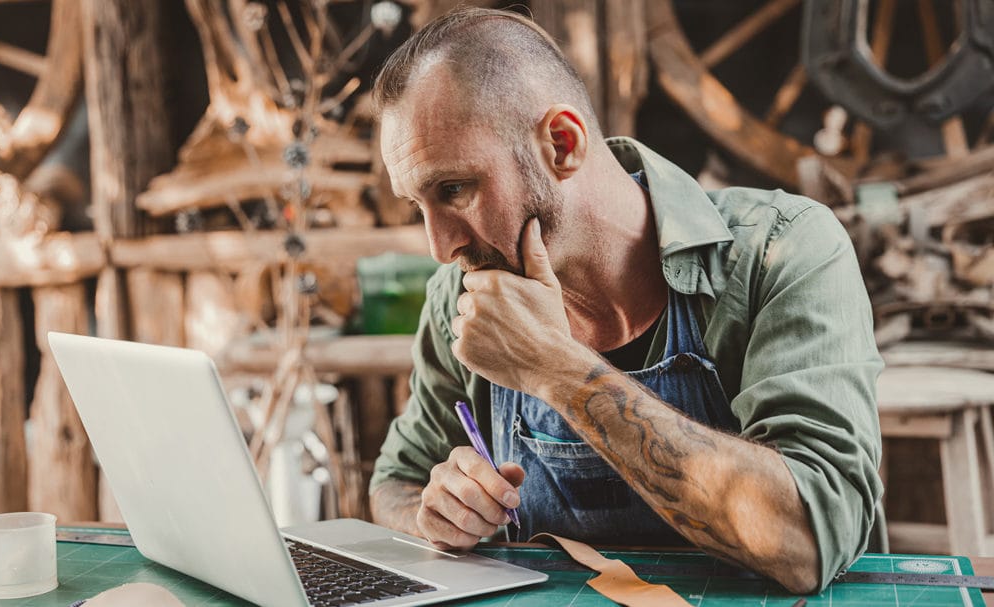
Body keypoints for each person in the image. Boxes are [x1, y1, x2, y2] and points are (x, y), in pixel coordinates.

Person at [368, 7, 882, 595]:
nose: (440, 246)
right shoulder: (461, 296)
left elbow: (810, 539)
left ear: (561, 144)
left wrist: (554, 369)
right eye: (418, 205)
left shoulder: (781, 251)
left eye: (454, 189)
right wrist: (437, 514)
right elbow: (395, 482)